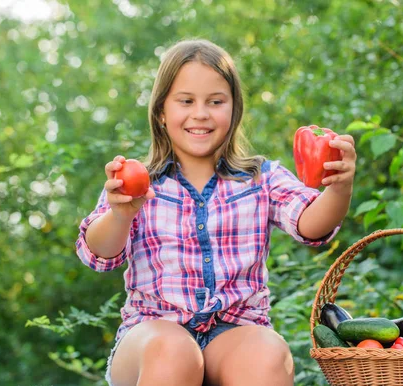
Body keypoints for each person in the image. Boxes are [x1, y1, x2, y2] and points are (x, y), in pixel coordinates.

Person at [76, 38, 356, 386]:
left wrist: (339, 188)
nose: (201, 113)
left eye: (215, 101)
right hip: (152, 334)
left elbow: (312, 223)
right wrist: (120, 214)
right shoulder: (138, 182)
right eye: (186, 101)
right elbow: (99, 252)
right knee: (174, 353)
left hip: (236, 330)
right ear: (161, 111)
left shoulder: (261, 177)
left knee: (267, 355)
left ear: (233, 110)